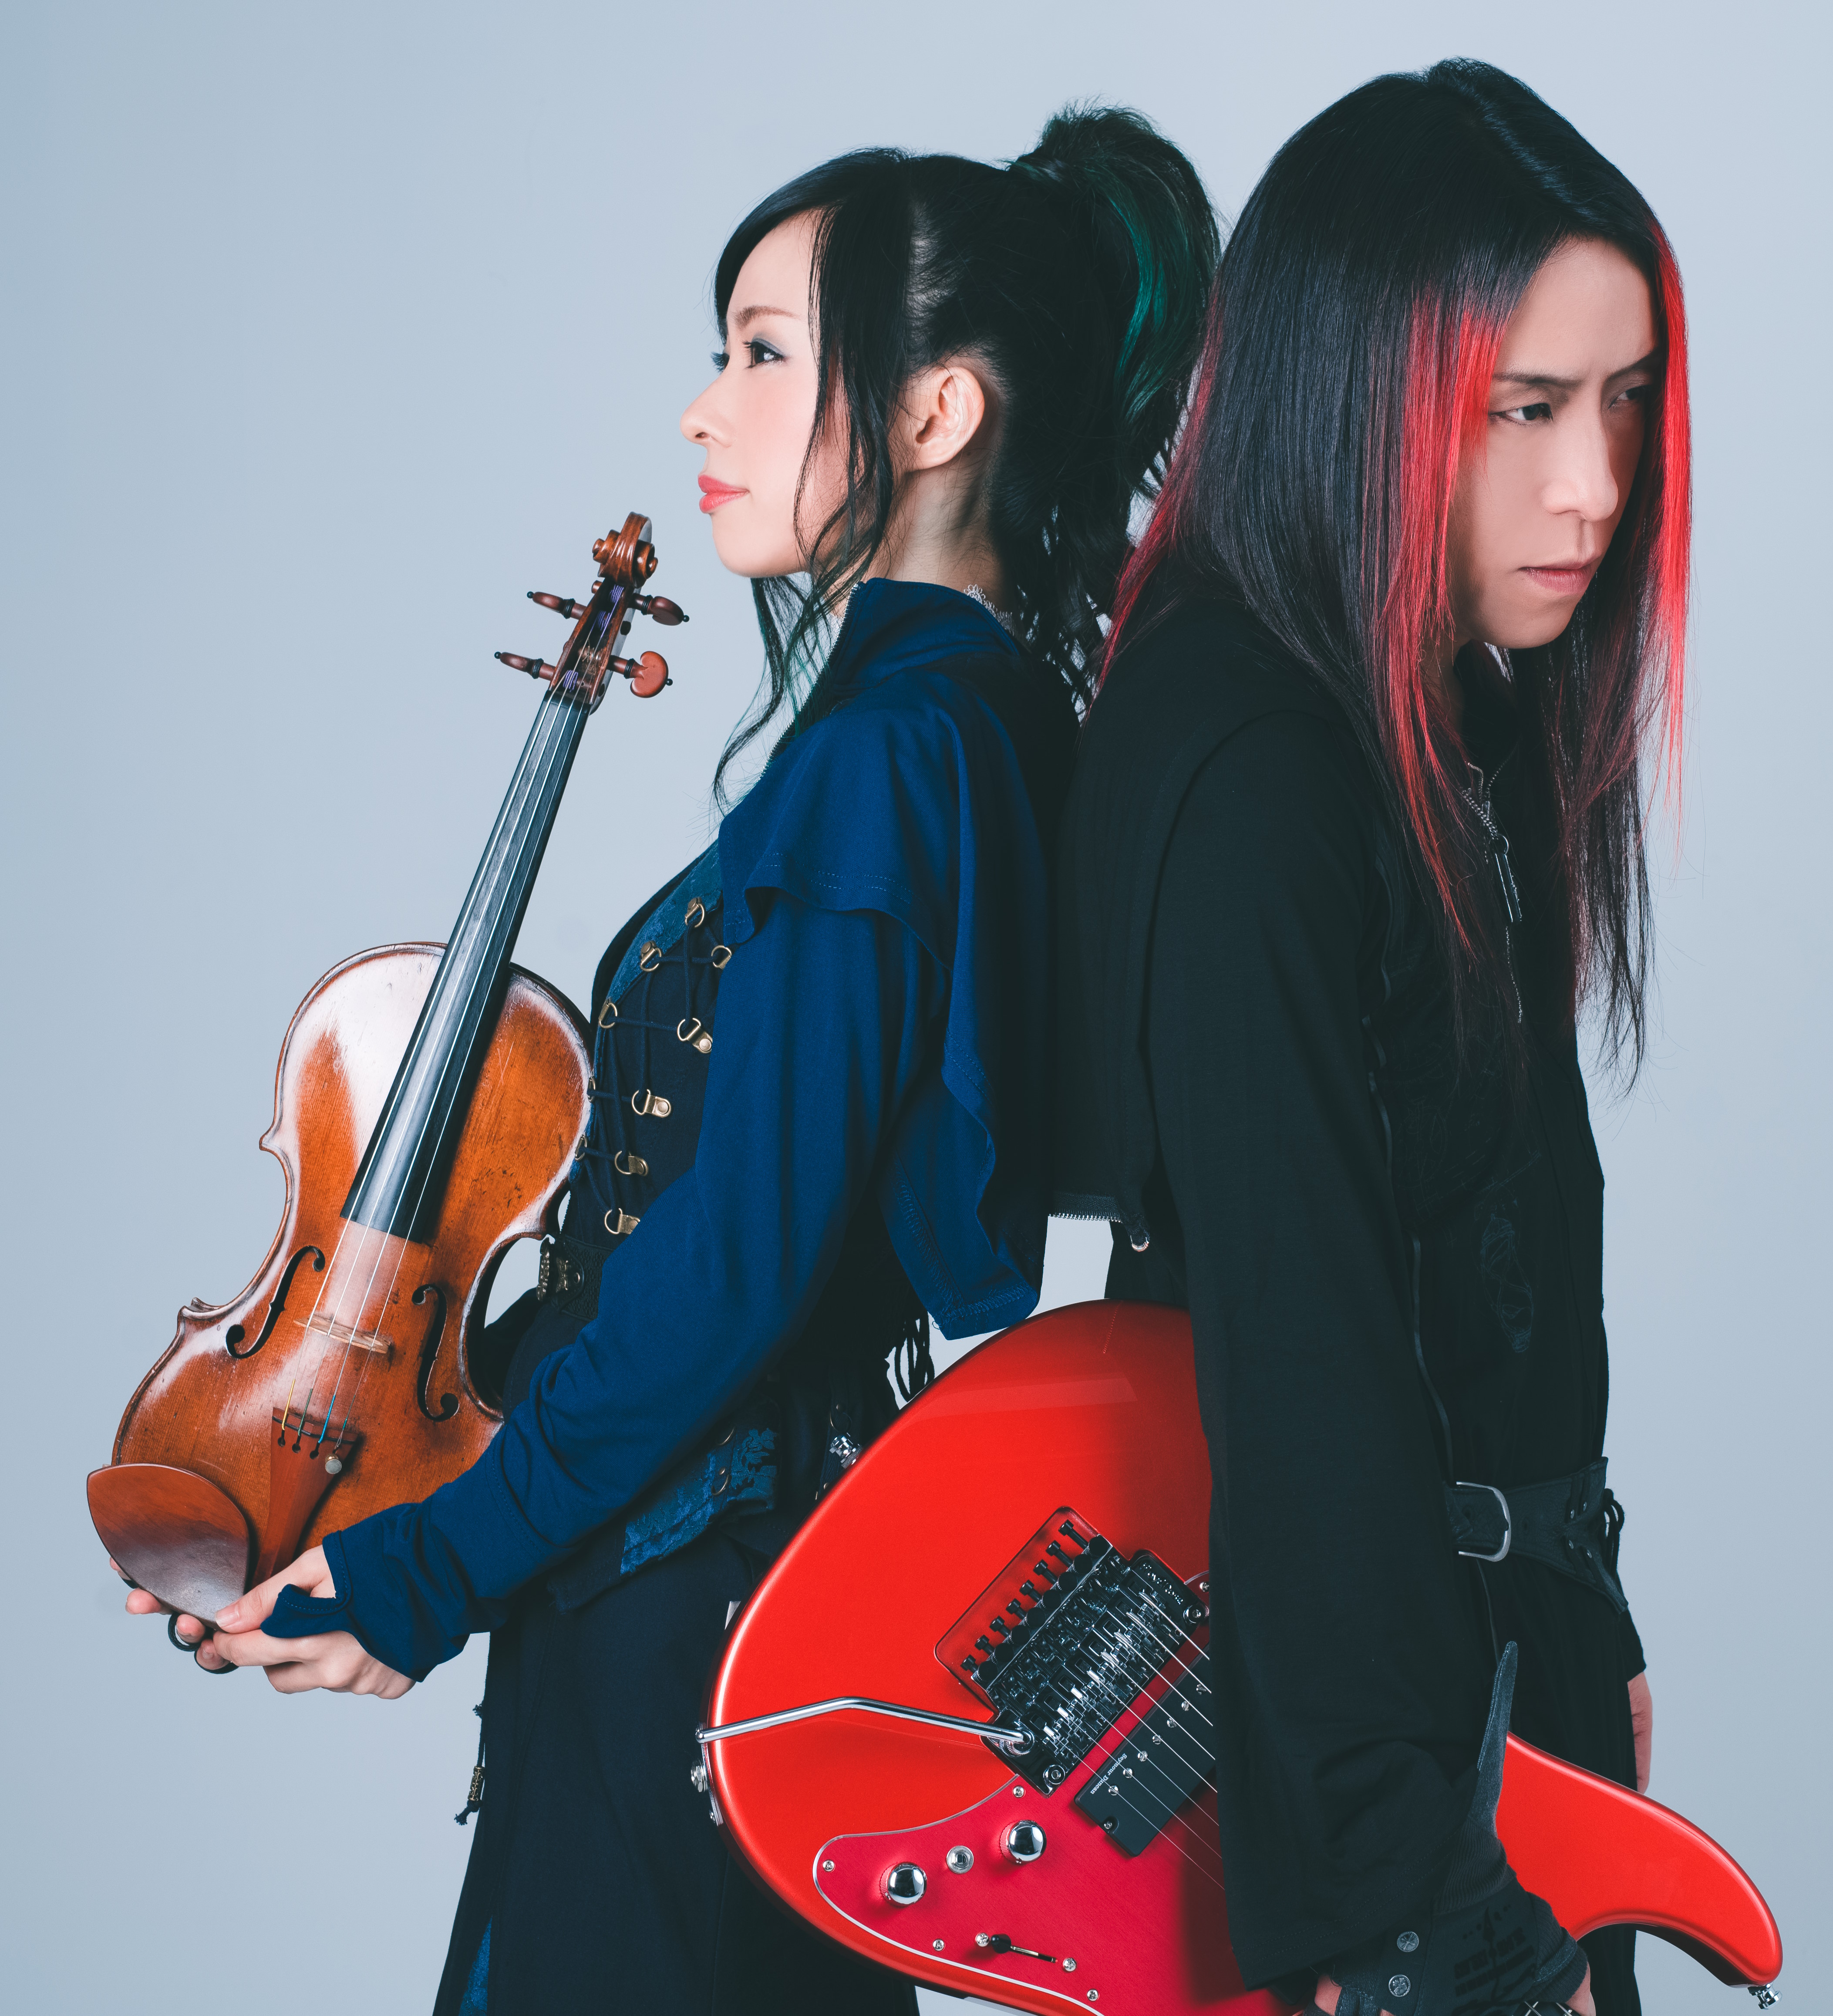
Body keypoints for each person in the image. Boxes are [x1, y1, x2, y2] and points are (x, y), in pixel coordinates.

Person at [125, 110, 1216, 2015]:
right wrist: (410, 1537)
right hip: (734, 1578)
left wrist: (425, 1573)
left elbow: (733, 1273)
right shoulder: (965, 724)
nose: (707, 411)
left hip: (696, 1601)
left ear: (937, 411)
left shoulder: (887, 755)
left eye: (766, 353)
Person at [1051, 60, 1689, 2016]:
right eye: (1525, 409)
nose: (1596, 485)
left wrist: (1582, 1611)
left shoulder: (1442, 711)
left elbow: (1493, 1253)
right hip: (1376, 1818)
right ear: (1358, 394)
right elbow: (1297, 1356)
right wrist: (1417, 1914)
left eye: (1626, 399)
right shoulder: (1259, 766)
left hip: (1484, 1701)